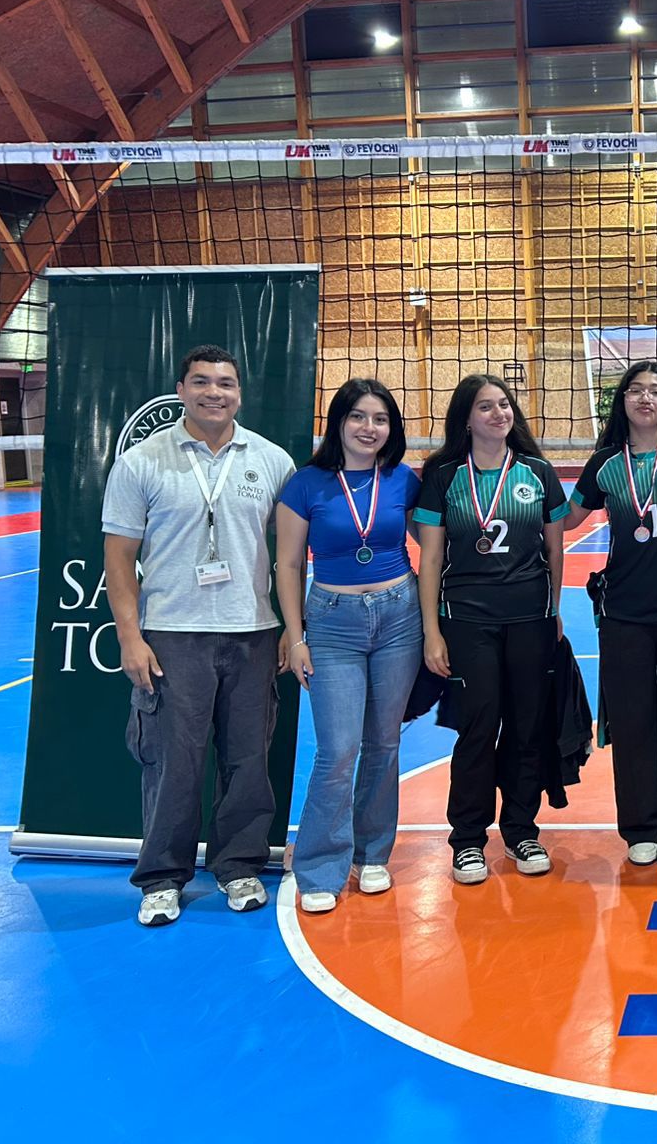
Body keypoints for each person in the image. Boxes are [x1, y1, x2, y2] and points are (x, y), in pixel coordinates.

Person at [103, 344, 296, 927]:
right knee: (173, 762)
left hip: (253, 633)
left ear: (241, 393)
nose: (215, 392)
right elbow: (119, 559)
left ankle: (240, 866)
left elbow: (291, 560)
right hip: (172, 637)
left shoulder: (272, 461)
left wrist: (292, 628)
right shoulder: (142, 462)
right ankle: (161, 877)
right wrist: (130, 638)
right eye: (202, 382)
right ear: (181, 390)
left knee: (248, 758)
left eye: (226, 383)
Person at [415, 375, 569, 885]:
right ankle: (468, 840)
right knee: (478, 727)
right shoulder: (441, 476)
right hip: (467, 620)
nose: (499, 414)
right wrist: (432, 631)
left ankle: (522, 829)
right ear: (466, 418)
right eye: (486, 407)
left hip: (530, 617)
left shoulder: (538, 472)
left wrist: (555, 610)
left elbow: (554, 549)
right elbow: (431, 556)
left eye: (504, 405)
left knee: (527, 726)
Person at [276, 379, 422, 914]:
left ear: (392, 428)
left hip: (399, 615)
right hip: (332, 622)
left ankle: (373, 854)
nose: (369, 428)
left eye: (380, 419)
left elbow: (433, 546)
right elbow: (288, 565)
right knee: (338, 751)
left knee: (384, 742)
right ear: (339, 422)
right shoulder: (306, 485)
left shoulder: (405, 480)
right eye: (358, 416)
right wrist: (296, 638)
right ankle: (319, 865)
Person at [563, 362, 657, 867]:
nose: (646, 398)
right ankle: (639, 825)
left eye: (656, 391)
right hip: (623, 610)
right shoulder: (606, 462)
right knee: (630, 722)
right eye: (636, 390)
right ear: (622, 402)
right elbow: (565, 520)